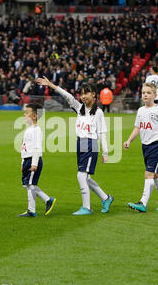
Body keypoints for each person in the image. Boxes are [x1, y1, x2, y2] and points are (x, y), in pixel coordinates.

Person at [36, 76, 114, 215]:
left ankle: (87, 207)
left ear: (94, 94)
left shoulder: (99, 112)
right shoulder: (79, 108)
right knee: (86, 177)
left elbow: (102, 133)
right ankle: (106, 198)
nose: (83, 96)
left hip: (90, 144)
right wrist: (51, 85)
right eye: (82, 93)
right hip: (80, 143)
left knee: (81, 175)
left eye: (86, 93)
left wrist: (105, 152)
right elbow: (68, 96)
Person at [124, 83, 158, 213]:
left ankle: (143, 203)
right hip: (145, 146)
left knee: (148, 174)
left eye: (148, 92)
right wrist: (129, 140)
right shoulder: (141, 110)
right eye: (143, 92)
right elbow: (138, 128)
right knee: (156, 175)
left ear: (155, 95)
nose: (145, 95)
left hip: (156, 145)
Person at [19, 103, 56, 217]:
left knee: (30, 184)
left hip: (33, 160)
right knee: (28, 185)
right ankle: (47, 200)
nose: (24, 115)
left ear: (34, 116)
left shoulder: (36, 130)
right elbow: (24, 146)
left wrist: (34, 163)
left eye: (27, 113)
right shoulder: (29, 129)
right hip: (27, 160)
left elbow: (36, 147)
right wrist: (22, 162)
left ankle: (31, 210)